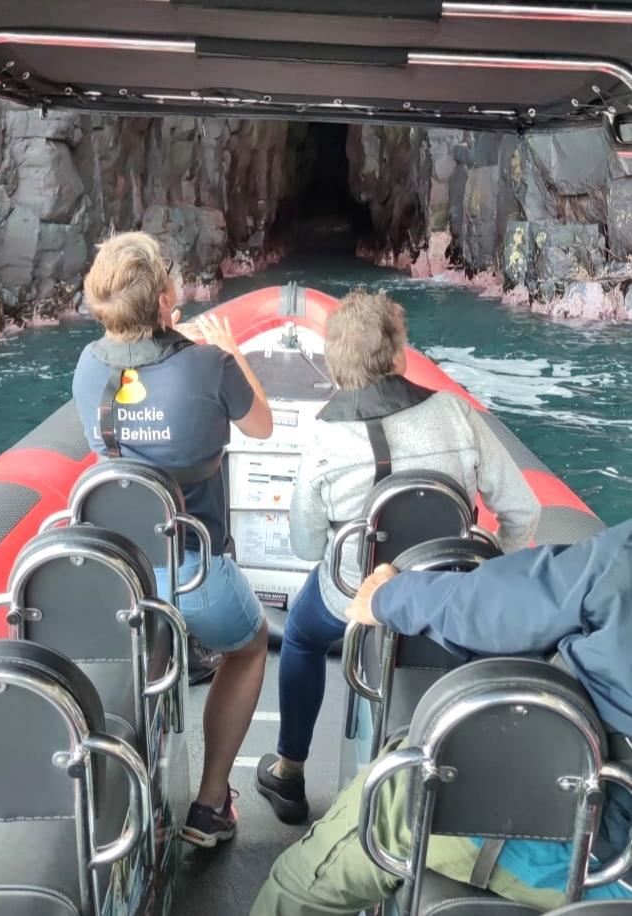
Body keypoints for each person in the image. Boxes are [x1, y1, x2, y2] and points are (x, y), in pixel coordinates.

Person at [256, 288, 540, 823]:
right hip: (449, 595)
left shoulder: (322, 439)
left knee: (299, 633)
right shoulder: (458, 415)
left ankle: (290, 771)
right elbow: (522, 511)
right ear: (399, 356)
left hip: (355, 596)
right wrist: (489, 569)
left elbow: (304, 545)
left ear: (334, 364)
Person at [251, 518, 632, 915]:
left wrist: (388, 597)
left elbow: (501, 608)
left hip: (582, 847)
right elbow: (518, 519)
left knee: (303, 879)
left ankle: (288, 767)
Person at [72, 231, 272, 848]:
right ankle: (211, 804)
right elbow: (261, 426)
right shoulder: (208, 365)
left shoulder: (85, 368)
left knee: (150, 646)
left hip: (120, 575)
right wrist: (231, 352)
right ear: (165, 298)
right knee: (251, 644)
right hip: (193, 570)